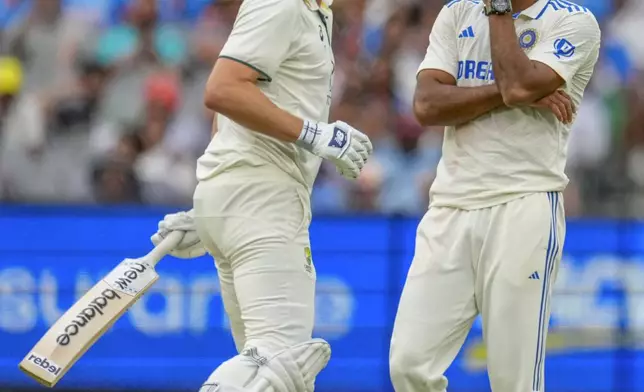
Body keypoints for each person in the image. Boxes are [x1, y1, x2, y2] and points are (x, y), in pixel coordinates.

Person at [150, 0, 373, 391]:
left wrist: (214, 200)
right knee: (277, 365)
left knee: (262, 367)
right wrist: (314, 134)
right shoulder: (283, 3)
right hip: (263, 197)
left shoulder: (313, 9)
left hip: (242, 195)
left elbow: (237, 103)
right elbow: (222, 89)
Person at [389, 0, 600, 391]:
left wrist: (499, 11)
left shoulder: (573, 20)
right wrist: (508, 93)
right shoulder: (457, 12)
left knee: (513, 379)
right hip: (450, 207)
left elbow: (519, 82)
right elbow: (427, 105)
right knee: (409, 364)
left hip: (523, 203)